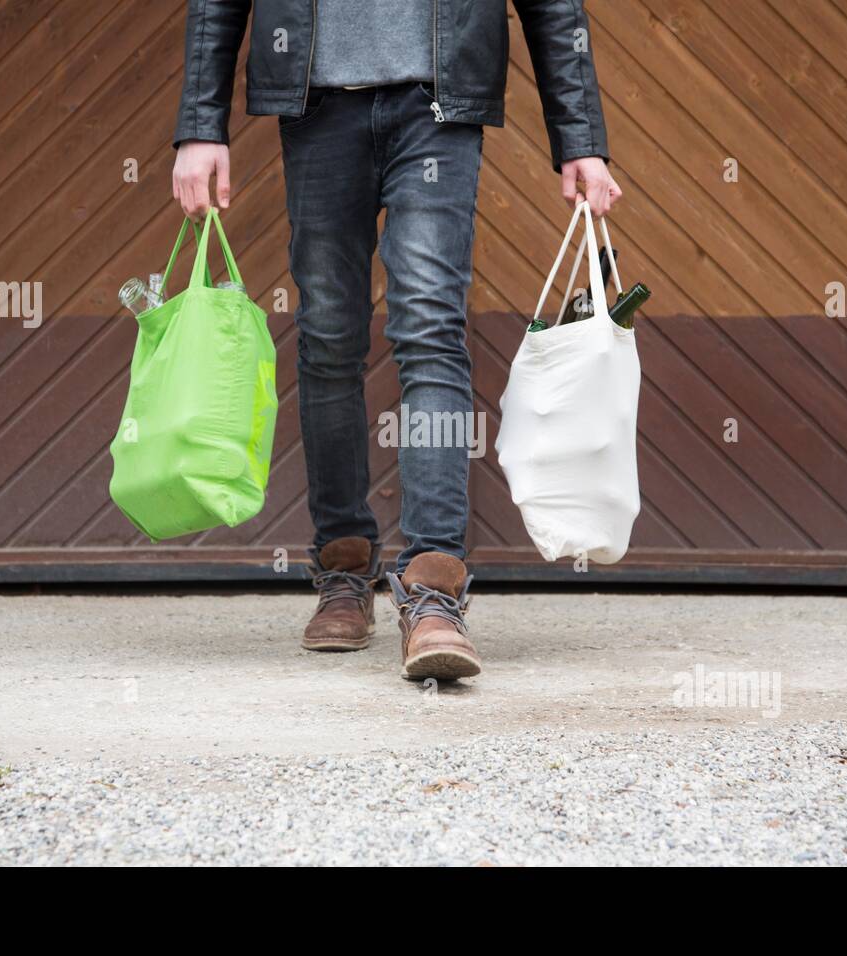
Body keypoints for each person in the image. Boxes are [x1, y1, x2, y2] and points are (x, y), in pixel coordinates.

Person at [172, 0, 620, 681]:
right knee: (327, 335)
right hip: (319, 107)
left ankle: (435, 589)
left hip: (437, 108)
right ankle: (345, 570)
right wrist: (201, 125)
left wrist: (580, 135)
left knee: (431, 328)